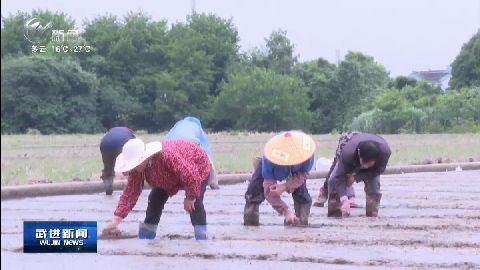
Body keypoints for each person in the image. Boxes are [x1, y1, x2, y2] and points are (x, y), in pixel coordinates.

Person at [103, 138, 211, 240]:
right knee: (154, 198)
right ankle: (147, 235)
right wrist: (116, 221)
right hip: (168, 178)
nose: (133, 168)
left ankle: (201, 237)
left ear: (144, 157)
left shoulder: (166, 156)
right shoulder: (137, 170)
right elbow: (130, 194)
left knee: (194, 204)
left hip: (197, 167)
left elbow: (191, 174)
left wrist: (190, 197)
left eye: (135, 164)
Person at [243, 131, 316, 226]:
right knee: (254, 190)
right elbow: (269, 191)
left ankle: (299, 221)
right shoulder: (269, 160)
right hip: (274, 166)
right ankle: (250, 222)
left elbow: (303, 175)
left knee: (302, 195)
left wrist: (285, 186)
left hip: (297, 172)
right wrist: (285, 211)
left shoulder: (307, 155)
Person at [316, 132, 391, 217]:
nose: (365, 167)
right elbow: (338, 176)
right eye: (364, 163)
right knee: (332, 180)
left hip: (373, 167)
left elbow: (378, 171)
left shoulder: (384, 153)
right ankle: (335, 212)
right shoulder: (348, 152)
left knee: (374, 183)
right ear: (359, 153)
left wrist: (355, 177)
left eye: (369, 164)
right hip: (352, 151)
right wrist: (344, 199)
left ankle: (372, 213)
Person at [164, 116, 219, 189]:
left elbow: (165, 139)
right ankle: (213, 182)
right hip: (192, 141)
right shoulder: (197, 127)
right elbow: (205, 147)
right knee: (207, 160)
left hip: (172, 143)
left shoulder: (178, 125)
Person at [313, 132, 362, 208]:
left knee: (349, 174)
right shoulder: (343, 151)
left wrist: (355, 176)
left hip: (359, 150)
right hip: (345, 149)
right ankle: (325, 191)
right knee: (337, 172)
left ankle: (349, 196)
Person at [99, 127, 136, 195]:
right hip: (123, 142)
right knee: (133, 166)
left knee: (108, 168)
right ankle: (133, 189)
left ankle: (108, 188)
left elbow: (102, 139)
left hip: (105, 143)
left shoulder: (109, 132)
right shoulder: (132, 134)